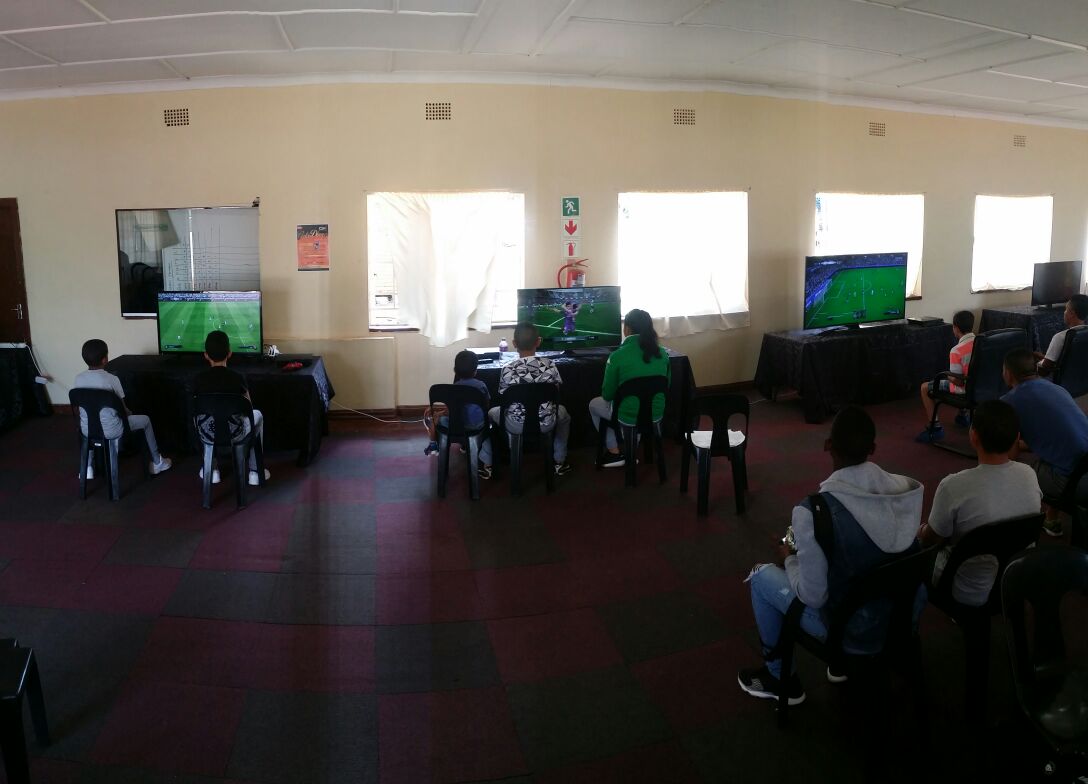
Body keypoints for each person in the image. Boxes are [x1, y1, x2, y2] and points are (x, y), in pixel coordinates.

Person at [738, 406, 923, 705]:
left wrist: (790, 558)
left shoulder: (814, 512)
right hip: (902, 620)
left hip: (852, 632)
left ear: (828, 445)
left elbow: (813, 596)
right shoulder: (906, 490)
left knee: (760, 577)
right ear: (873, 449)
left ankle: (781, 680)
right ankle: (842, 668)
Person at [918, 400, 1042, 606]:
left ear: (973, 436)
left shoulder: (953, 486)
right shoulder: (1029, 475)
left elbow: (933, 539)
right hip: (1015, 580)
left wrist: (921, 531)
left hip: (964, 591)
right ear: (1017, 438)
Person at [1002, 348, 1088, 537]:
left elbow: (1010, 456)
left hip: (1074, 481)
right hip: (1084, 466)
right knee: (1052, 459)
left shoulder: (1010, 402)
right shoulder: (1057, 388)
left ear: (1008, 374)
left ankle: (1019, 528)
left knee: (1020, 473)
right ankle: (1051, 520)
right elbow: (1053, 437)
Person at [73, 339, 172, 479]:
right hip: (113, 430)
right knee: (145, 420)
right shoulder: (112, 379)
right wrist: (130, 413)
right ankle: (157, 462)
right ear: (105, 359)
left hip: (87, 430)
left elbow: (79, 409)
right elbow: (122, 410)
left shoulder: (78, 379)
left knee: (91, 423)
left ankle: (88, 467)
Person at [486, 323, 572, 476]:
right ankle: (560, 460)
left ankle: (489, 462)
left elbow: (503, 397)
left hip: (515, 424)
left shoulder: (507, 369)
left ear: (514, 343)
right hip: (546, 422)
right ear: (538, 341)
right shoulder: (550, 365)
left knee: (491, 413)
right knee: (564, 414)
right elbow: (556, 392)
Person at [589, 309, 671, 468]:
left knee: (594, 404)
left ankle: (614, 451)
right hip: (656, 414)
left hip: (628, 415)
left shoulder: (617, 356)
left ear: (626, 329)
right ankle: (633, 446)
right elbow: (667, 386)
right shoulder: (663, 353)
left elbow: (607, 394)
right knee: (637, 404)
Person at [193, 330, 270, 486]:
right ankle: (255, 471)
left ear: (206, 355)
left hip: (208, 433)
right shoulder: (238, 378)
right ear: (229, 353)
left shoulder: (197, 379)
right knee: (258, 414)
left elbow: (195, 410)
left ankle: (212, 470)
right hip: (236, 433)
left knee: (199, 419)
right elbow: (249, 408)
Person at [423, 350, 493, 478]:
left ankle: (434, 443)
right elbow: (486, 405)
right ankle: (487, 463)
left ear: (455, 370)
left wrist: (439, 413)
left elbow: (451, 410)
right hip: (478, 427)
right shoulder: (481, 386)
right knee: (488, 432)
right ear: (475, 371)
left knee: (437, 419)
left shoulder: (454, 388)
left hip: (456, 427)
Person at [916, 310, 975, 443]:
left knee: (925, 387)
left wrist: (948, 377)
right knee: (964, 375)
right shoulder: (982, 343)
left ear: (956, 328)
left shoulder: (956, 350)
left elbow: (958, 382)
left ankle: (935, 428)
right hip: (980, 386)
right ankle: (962, 416)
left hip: (965, 389)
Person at [1036, 294, 1088, 377]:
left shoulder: (1060, 337)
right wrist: (1045, 357)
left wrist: (1036, 363)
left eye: (1066, 309)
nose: (1064, 312)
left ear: (1072, 313)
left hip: (1062, 381)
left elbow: (1045, 369)